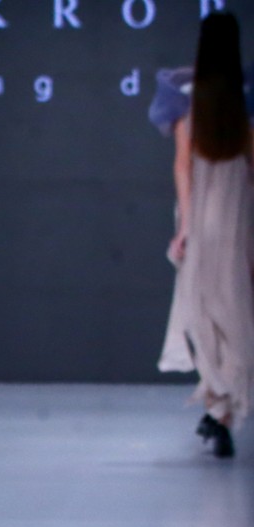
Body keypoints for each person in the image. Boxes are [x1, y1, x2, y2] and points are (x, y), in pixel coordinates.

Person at [157, 10, 254, 458]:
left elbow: (183, 167)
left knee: (204, 316)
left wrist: (186, 227)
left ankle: (218, 407)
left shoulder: (185, 99)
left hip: (204, 218)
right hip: (238, 217)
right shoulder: (245, 102)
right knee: (236, 315)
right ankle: (222, 411)